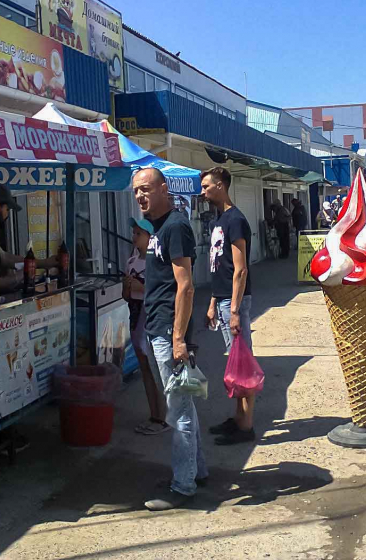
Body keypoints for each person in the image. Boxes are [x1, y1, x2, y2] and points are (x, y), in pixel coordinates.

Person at [133, 168, 206, 511]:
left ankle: (183, 485)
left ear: (164, 189)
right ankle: (196, 472)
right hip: (160, 327)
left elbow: (186, 286)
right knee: (184, 405)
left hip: (168, 332)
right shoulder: (159, 228)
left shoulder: (175, 226)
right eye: (136, 192)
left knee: (178, 409)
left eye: (146, 189)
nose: (140, 196)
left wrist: (178, 338)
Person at [201, 167, 257, 445]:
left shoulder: (235, 220)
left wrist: (233, 310)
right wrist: (213, 302)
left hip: (234, 302)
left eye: (206, 186)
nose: (203, 192)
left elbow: (240, 269)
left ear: (221, 186)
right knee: (234, 363)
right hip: (223, 300)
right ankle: (237, 418)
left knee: (242, 362)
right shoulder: (219, 221)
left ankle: (246, 426)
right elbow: (218, 268)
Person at [123, 218, 169, 436]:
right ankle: (154, 414)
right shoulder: (131, 260)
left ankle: (163, 416)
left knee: (155, 368)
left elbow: (160, 292)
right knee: (145, 370)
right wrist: (128, 287)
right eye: (133, 233)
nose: (134, 237)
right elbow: (127, 296)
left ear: (150, 237)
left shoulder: (156, 262)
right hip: (134, 317)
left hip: (150, 319)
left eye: (139, 234)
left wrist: (140, 286)